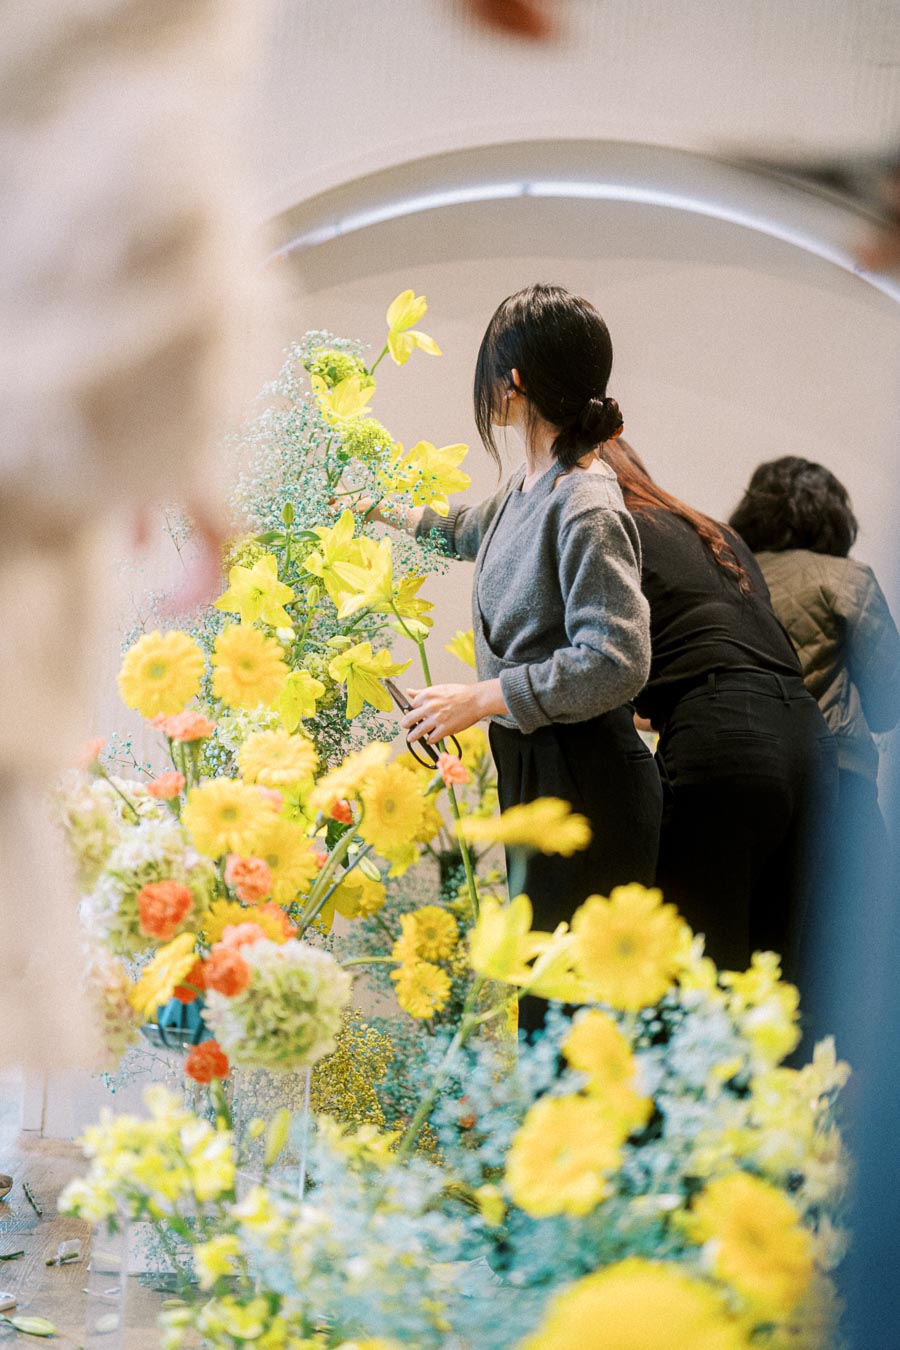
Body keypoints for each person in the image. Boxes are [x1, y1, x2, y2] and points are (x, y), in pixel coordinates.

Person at [372, 284, 662, 1028]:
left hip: (588, 781)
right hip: (539, 770)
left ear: (516, 380)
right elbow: (465, 529)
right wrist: (373, 508)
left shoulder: (586, 502)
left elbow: (618, 659)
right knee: (544, 1006)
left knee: (568, 1017)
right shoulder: (527, 489)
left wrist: (482, 697)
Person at [600, 439, 837, 978]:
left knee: (697, 973)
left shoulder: (611, 526)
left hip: (727, 737)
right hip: (806, 735)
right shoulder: (709, 528)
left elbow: (606, 665)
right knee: (776, 983)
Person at [729, 457, 900, 1052]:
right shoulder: (846, 578)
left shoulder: (731, 573)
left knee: (763, 949)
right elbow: (888, 699)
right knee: (860, 951)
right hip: (837, 783)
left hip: (744, 784)